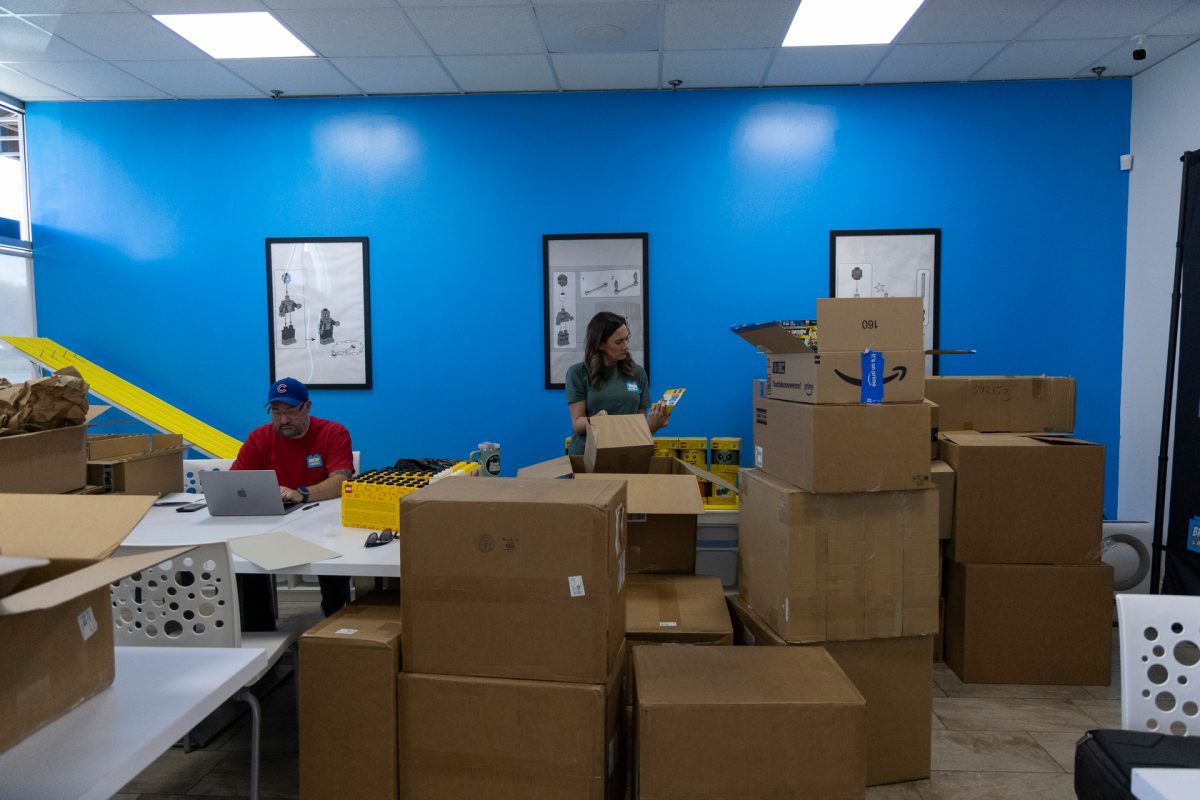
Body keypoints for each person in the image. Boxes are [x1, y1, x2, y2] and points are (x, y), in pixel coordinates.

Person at [233, 377, 355, 624]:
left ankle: (334, 620)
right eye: (276, 412)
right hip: (271, 524)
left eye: (290, 412)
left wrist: (303, 493)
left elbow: (341, 480)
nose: (283, 420)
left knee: (336, 558)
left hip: (323, 525)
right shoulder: (259, 437)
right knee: (242, 559)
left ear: (307, 407)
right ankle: (258, 629)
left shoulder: (333, 432)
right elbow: (236, 482)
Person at [566, 311, 668, 456]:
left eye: (627, 339)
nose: (625, 346)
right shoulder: (577, 373)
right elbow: (577, 424)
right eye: (618, 342)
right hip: (588, 455)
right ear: (601, 345)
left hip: (627, 453)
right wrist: (596, 421)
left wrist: (653, 425)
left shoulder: (637, 373)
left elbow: (639, 424)